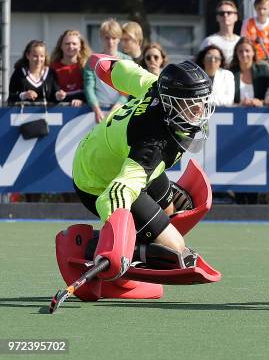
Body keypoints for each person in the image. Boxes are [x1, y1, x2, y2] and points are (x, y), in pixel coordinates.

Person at [72, 57, 215, 276]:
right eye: (192, 104)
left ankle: (142, 235)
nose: (200, 111)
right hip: (99, 181)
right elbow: (114, 193)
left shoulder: (156, 86)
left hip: (116, 157)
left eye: (202, 102)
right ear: (172, 104)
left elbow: (126, 71)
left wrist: (104, 66)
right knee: (176, 250)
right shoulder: (151, 147)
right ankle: (90, 248)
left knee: (172, 210)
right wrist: (116, 241)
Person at [84, 18, 133, 123]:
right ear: (101, 38)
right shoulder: (93, 60)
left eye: (114, 38)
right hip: (97, 112)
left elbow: (128, 88)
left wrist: (117, 107)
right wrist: (96, 109)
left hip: (120, 111)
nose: (110, 42)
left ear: (119, 39)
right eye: (107, 38)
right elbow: (89, 86)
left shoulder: (127, 60)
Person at [8, 40, 59, 105]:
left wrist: (59, 95)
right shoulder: (19, 73)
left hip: (47, 114)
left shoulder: (51, 73)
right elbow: (11, 97)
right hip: (23, 114)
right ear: (27, 55)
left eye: (42, 56)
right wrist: (24, 95)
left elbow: (55, 95)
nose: (39, 59)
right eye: (35, 56)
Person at [50, 30, 91, 107]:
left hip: (82, 112)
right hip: (58, 111)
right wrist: (57, 95)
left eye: (74, 44)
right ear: (61, 46)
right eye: (67, 44)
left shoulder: (86, 67)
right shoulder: (52, 68)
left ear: (80, 47)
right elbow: (49, 92)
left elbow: (91, 90)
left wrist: (82, 100)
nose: (70, 47)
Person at [230, 37, 269, 107]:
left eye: (247, 51)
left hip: (259, 113)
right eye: (240, 51)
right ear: (236, 54)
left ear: (253, 53)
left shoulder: (263, 71)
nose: (244, 54)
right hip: (235, 113)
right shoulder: (230, 73)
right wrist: (238, 105)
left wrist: (260, 102)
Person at [199, 1, 241, 67]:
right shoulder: (209, 41)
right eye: (221, 13)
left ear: (236, 17)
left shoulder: (241, 41)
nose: (225, 15)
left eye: (229, 13)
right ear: (217, 17)